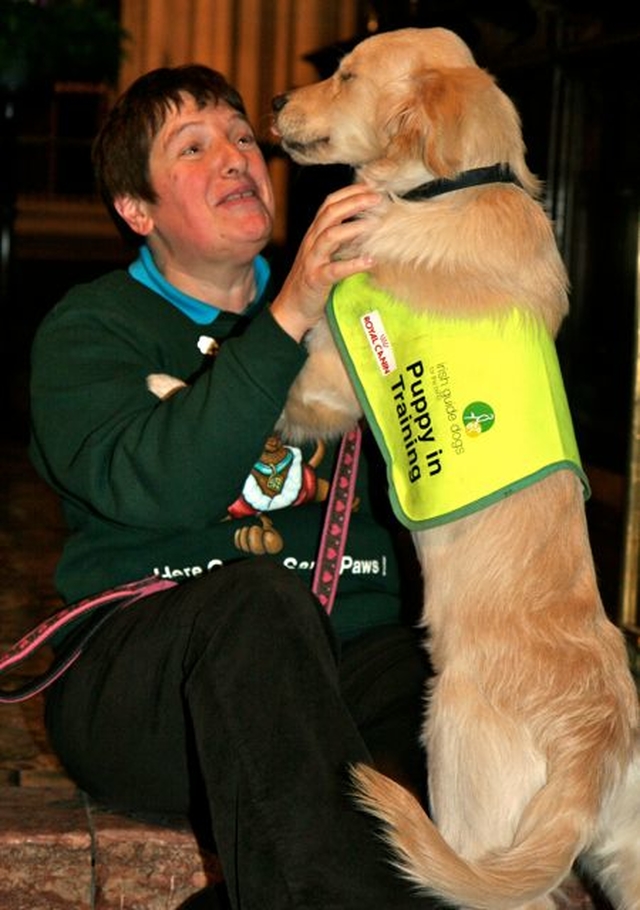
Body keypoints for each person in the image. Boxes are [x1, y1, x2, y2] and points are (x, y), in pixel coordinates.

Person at [28, 64, 439, 910]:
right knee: (258, 602)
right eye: (194, 146)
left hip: (348, 668)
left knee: (461, 733)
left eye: (244, 137)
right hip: (150, 681)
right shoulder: (89, 330)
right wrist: (288, 317)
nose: (235, 157)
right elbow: (163, 487)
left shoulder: (364, 312)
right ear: (137, 211)